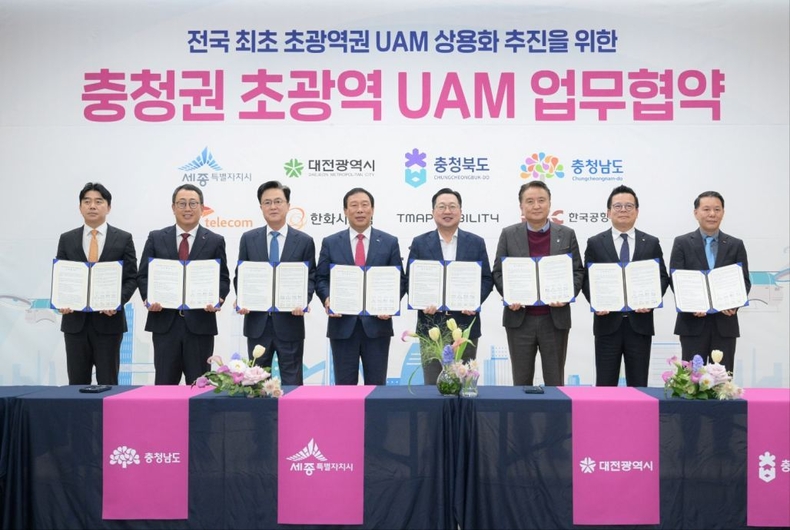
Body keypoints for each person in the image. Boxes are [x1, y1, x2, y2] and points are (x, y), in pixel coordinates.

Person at [492, 181, 584, 386]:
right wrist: (510, 296)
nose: (536, 206)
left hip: (555, 319)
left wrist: (567, 295)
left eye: (541, 200)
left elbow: (578, 271)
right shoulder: (508, 234)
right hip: (519, 319)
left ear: (549, 204)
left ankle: (556, 410)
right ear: (521, 206)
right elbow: (498, 272)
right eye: (530, 201)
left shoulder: (566, 234)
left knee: (555, 381)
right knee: (521, 382)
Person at [137, 184, 230, 385]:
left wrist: (218, 299)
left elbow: (223, 278)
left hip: (200, 324)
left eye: (193, 203)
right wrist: (148, 299)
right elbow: (143, 275)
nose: (187, 208)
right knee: (164, 385)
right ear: (173, 207)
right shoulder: (156, 237)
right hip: (164, 323)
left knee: (199, 386)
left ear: (202, 208)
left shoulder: (215, 241)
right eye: (182, 203)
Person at [316, 187, 406, 385]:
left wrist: (390, 304)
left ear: (372, 209)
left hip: (377, 326)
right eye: (354, 205)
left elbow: (400, 280)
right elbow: (321, 278)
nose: (359, 210)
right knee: (344, 387)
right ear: (345, 211)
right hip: (342, 325)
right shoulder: (331, 242)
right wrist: (327, 298)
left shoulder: (389, 242)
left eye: (365, 205)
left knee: (376, 388)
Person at [582, 185, 670, 387]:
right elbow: (586, 278)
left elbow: (662, 277)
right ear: (608, 212)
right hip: (606, 324)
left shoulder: (651, 242)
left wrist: (651, 300)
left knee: (639, 385)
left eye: (629, 206)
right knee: (605, 385)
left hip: (640, 324)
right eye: (618, 206)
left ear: (637, 212)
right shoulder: (595, 242)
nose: (623, 210)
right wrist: (596, 301)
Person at [406, 188, 493, 384]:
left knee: (465, 384)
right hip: (431, 326)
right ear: (433, 212)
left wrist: (474, 301)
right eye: (442, 207)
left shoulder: (476, 243)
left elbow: (487, 278)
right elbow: (410, 279)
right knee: (432, 386)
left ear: (461, 211)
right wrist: (421, 301)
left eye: (452, 206)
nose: (447, 211)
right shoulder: (420, 243)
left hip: (465, 325)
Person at [234, 181, 316, 385]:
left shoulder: (304, 241)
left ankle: (293, 409)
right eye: (267, 202)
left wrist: (303, 300)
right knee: (256, 383)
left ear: (288, 205)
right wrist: (241, 298)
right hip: (257, 323)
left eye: (278, 201)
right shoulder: (248, 239)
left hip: (290, 322)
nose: (273, 206)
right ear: (261, 207)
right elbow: (241, 274)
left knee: (292, 383)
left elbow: (311, 277)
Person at [56, 182, 137, 385]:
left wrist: (116, 302)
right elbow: (61, 276)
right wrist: (62, 300)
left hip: (109, 323)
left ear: (108, 207)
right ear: (80, 207)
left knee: (108, 383)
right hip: (75, 323)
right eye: (87, 201)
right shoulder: (66, 239)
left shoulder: (123, 238)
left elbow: (131, 278)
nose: (92, 206)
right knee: (76, 384)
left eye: (98, 201)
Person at [670, 191, 750, 374]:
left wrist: (734, 304)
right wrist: (691, 305)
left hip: (725, 324)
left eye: (717, 209)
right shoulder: (682, 242)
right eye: (706, 209)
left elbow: (744, 281)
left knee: (722, 380)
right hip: (692, 323)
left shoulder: (736, 244)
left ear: (723, 212)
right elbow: (676, 280)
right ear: (696, 213)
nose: (712, 214)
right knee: (691, 380)